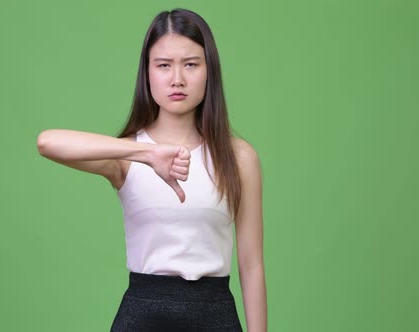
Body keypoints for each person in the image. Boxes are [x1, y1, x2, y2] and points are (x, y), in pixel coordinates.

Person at [36, 8, 266, 332]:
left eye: (190, 64)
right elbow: (48, 142)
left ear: (209, 71)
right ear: (147, 73)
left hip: (216, 316)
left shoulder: (239, 157)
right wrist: (146, 153)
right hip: (142, 318)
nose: (177, 79)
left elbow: (251, 264)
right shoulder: (127, 157)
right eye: (163, 65)